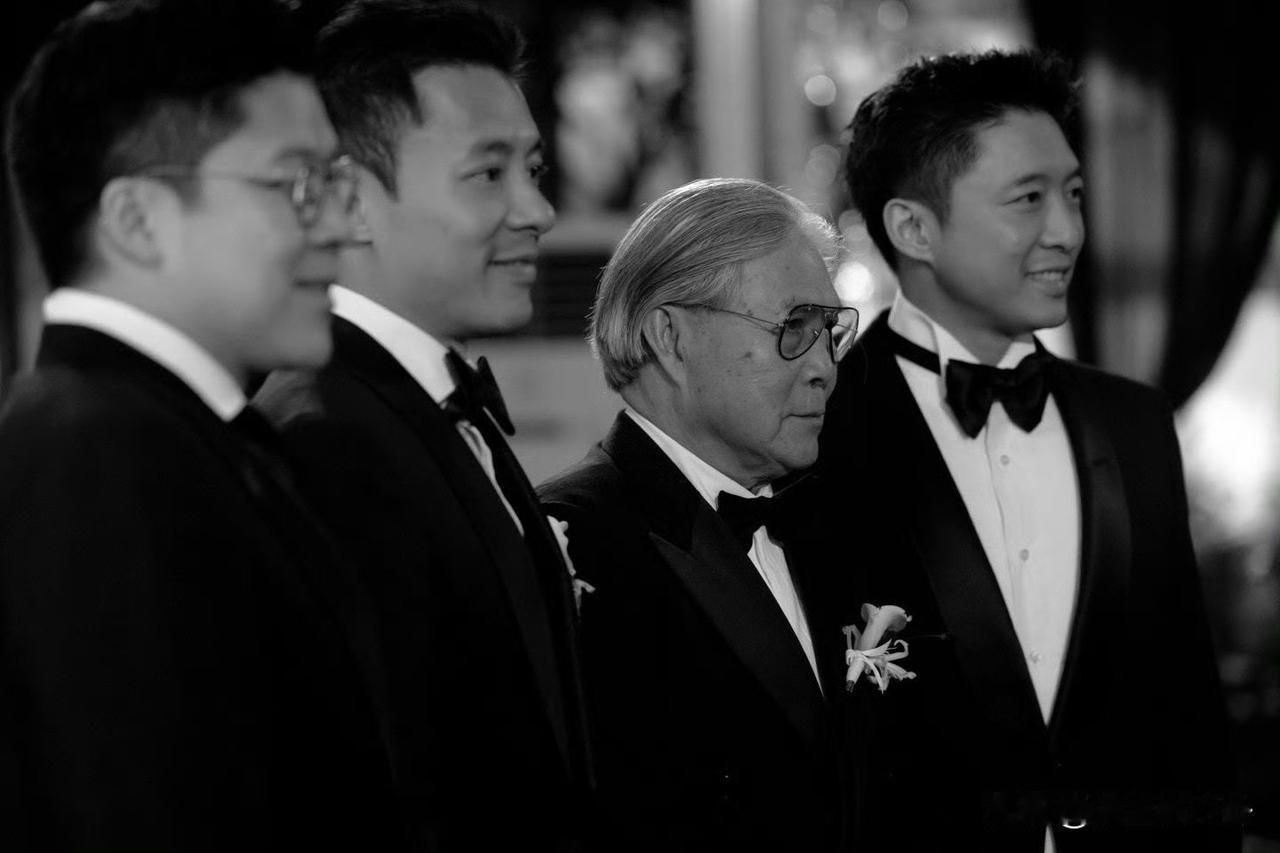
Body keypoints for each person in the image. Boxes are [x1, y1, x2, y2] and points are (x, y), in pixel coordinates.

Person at [0, 0, 403, 849]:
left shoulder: (174, 436)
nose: (339, 223)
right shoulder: (98, 457)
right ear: (137, 220)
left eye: (335, 182)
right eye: (297, 183)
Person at [816, 48, 1240, 852]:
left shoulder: (1135, 424)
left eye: (1074, 194)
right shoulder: (819, 429)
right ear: (913, 228)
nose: (1069, 232)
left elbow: (1187, 709)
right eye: (1029, 198)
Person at [251, 1, 593, 849]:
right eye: (488, 174)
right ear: (348, 200)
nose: (538, 210)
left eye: (534, 169)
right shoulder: (323, 439)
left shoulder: (421, 406)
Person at [538, 177, 858, 852]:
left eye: (829, 333)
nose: (825, 368)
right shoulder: (569, 542)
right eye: (794, 327)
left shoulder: (833, 523)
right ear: (670, 336)